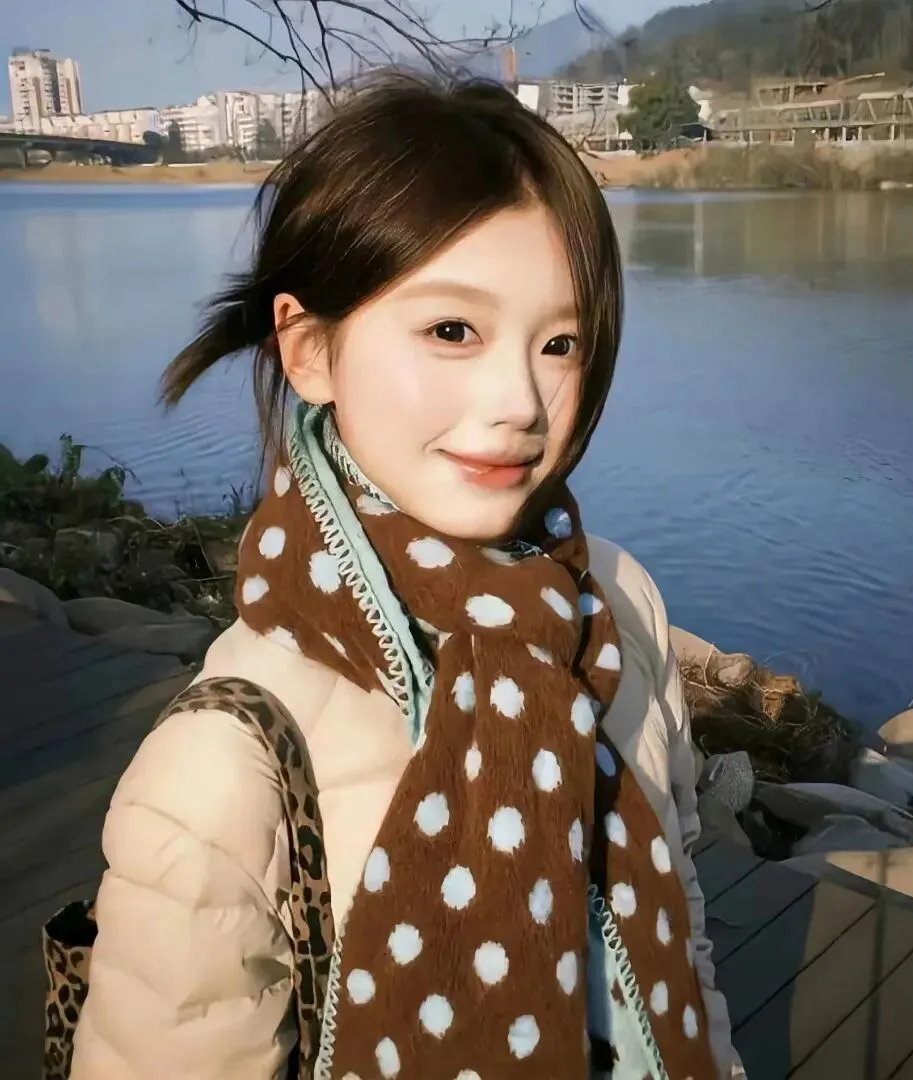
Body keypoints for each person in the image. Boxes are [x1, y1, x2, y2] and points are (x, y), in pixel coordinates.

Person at [69, 74, 746, 1080]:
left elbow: (679, 933)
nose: (520, 401)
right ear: (309, 350)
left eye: (560, 343)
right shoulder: (224, 765)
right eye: (452, 332)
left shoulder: (618, 603)